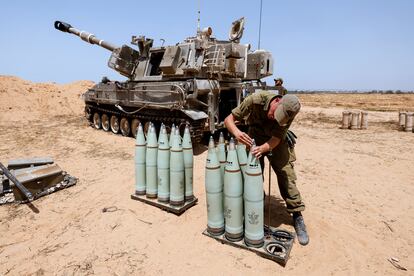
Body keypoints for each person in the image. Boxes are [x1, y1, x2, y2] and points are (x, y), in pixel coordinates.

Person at [224, 92, 309, 245]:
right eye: (276, 113)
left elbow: (276, 138)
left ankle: (297, 214)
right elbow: (228, 120)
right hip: (255, 136)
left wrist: (264, 148)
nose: (274, 118)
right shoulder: (254, 100)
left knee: (286, 174)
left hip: (276, 141)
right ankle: (255, 201)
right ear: (277, 101)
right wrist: (237, 133)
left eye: (280, 118)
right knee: (252, 173)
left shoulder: (290, 112)